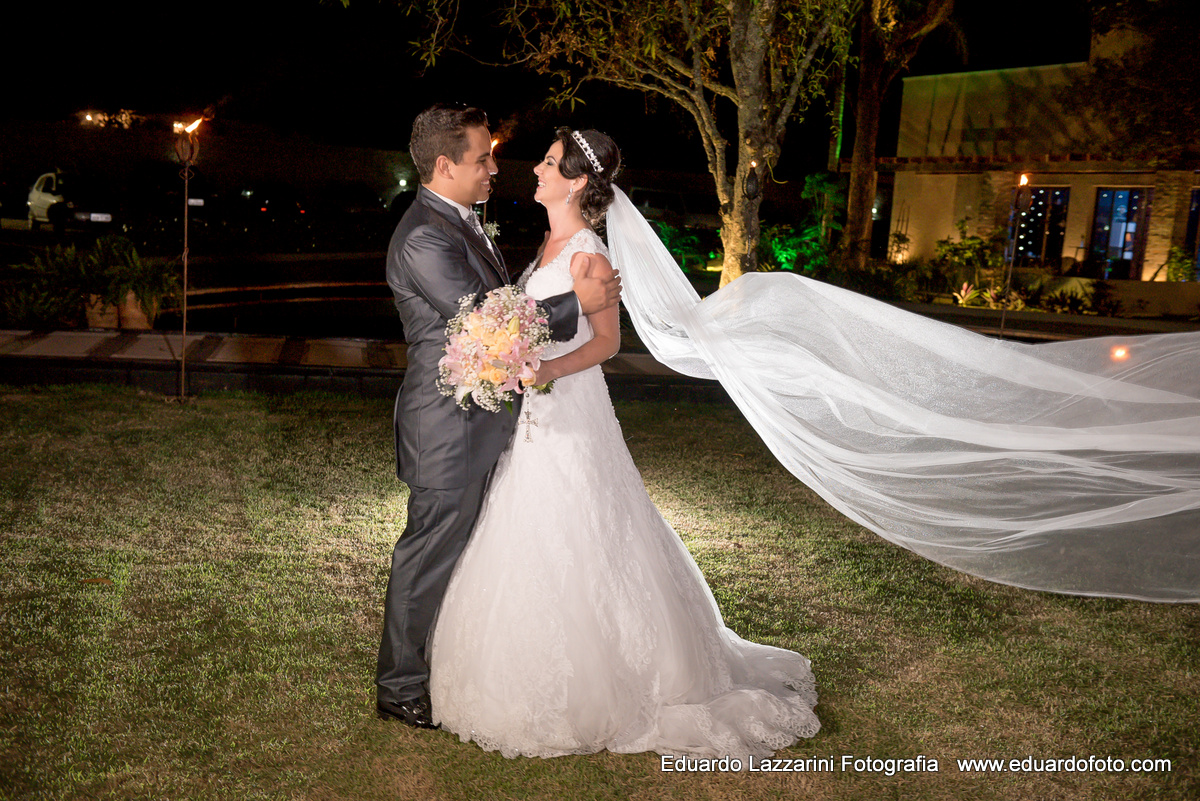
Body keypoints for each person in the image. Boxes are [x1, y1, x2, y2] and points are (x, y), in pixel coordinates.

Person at [428, 128, 820, 761]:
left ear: (579, 182)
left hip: (572, 414)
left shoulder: (588, 255)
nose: (536, 168)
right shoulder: (546, 245)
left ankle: (617, 682)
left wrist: (547, 370)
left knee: (584, 526)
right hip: (533, 419)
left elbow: (607, 344)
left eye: (550, 164)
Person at [377, 106, 621, 729]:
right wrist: (578, 304)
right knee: (429, 551)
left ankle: (443, 665)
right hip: (448, 424)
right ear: (444, 165)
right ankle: (401, 686)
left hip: (482, 419)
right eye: (483, 158)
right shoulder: (426, 235)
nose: (495, 167)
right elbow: (488, 321)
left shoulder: (459, 220)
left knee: (464, 550)